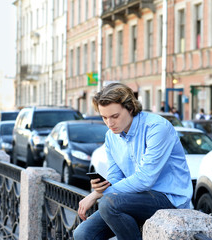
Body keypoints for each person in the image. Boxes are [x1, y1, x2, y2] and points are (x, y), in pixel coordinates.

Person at [73, 83, 192, 240]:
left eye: (115, 116)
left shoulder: (156, 127)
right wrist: (102, 187)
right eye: (104, 117)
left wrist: (97, 194)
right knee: (82, 234)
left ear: (130, 108)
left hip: (168, 198)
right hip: (132, 198)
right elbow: (115, 176)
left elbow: (145, 179)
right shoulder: (111, 136)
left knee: (108, 204)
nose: (109, 123)